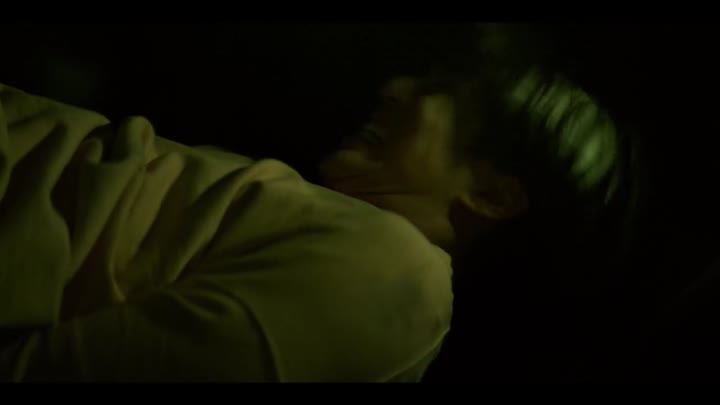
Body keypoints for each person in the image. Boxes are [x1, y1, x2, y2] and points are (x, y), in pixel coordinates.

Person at [0, 28, 630, 382]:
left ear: (490, 195)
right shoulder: (363, 261)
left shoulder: (396, 277)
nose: (396, 89)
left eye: (443, 94)